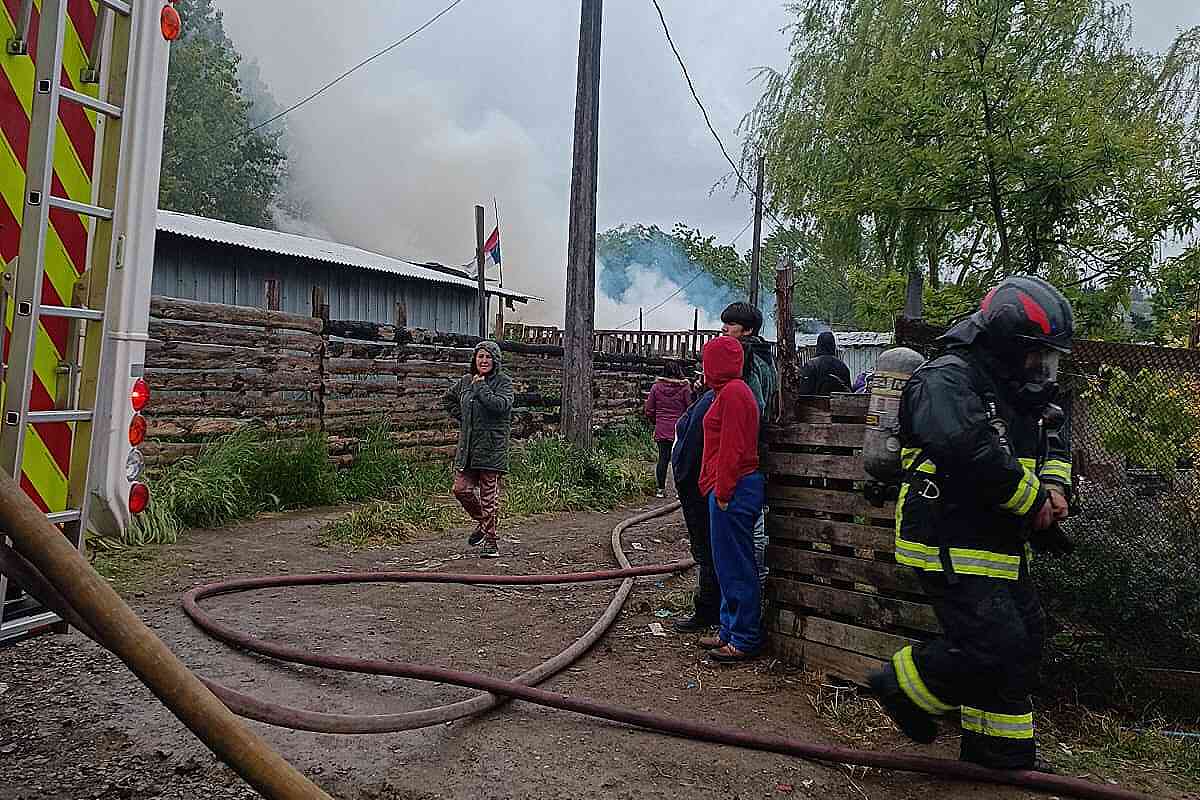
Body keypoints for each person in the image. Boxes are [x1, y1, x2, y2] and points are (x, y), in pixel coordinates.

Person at [867, 276, 1074, 772]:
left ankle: (998, 753)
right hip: (947, 537)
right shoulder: (947, 380)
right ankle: (902, 686)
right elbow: (971, 453)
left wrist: (1056, 487)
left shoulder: (1016, 387)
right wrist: (1032, 501)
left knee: (1023, 642)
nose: (1044, 368)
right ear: (1006, 343)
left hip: (998, 541)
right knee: (995, 644)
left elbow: (1054, 437)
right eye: (1037, 355)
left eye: (1050, 357)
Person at [695, 336, 765, 663]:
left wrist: (722, 492)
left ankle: (745, 637)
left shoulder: (735, 393)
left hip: (734, 488)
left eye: (707, 360)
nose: (703, 366)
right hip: (726, 487)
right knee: (725, 563)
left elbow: (733, 449)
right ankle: (728, 629)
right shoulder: (725, 393)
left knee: (736, 564)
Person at [719, 303, 776, 590]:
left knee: (746, 534)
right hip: (758, 455)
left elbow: (750, 414)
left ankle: (753, 595)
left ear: (748, 329)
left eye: (730, 325)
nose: (724, 330)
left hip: (745, 461)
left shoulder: (747, 360)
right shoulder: (766, 356)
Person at [442, 340, 514, 558]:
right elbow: (448, 399)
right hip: (469, 447)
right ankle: (483, 523)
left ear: (495, 361)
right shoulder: (465, 381)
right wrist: (464, 416)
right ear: (475, 359)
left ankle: (491, 541)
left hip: (492, 447)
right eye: (480, 356)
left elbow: (500, 406)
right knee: (460, 489)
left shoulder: (503, 382)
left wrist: (481, 386)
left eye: (488, 357)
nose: (483, 360)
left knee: (488, 496)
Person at [670, 386, 719, 633]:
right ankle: (715, 609)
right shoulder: (717, 396)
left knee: (708, 548)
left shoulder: (717, 398)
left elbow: (690, 446)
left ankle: (708, 609)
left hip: (702, 485)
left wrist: (684, 480)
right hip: (705, 483)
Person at [644, 361, 692, 498]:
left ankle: (660, 489)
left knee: (663, 459)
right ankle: (679, 491)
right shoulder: (685, 387)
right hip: (679, 429)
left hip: (662, 427)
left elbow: (649, 409)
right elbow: (690, 408)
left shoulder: (656, 387)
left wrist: (656, 421)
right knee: (680, 460)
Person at [798, 331, 852, 396]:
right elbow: (849, 393)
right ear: (833, 345)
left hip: (814, 405)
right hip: (840, 405)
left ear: (818, 345)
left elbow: (804, 393)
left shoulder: (811, 365)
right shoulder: (843, 366)